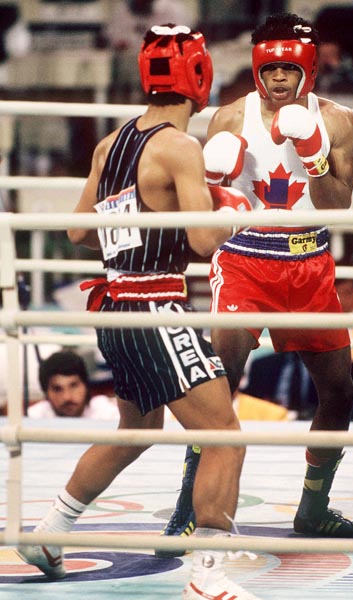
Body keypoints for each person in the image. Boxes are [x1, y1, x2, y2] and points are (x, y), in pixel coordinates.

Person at [16, 24, 262, 600]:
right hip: (154, 306)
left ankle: (51, 533)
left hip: (114, 306)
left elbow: (80, 229)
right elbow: (204, 243)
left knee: (138, 430)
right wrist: (233, 206)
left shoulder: (112, 142)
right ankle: (208, 576)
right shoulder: (180, 147)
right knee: (225, 435)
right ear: (198, 79)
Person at [161, 12, 353, 549]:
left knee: (339, 391)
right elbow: (204, 215)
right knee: (219, 382)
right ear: (257, 66)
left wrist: (314, 157)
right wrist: (214, 179)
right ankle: (189, 505)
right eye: (269, 67)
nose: (278, 78)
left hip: (311, 264)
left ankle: (314, 509)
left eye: (288, 67)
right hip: (244, 261)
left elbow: (339, 204)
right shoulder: (230, 119)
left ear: (308, 66)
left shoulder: (339, 121)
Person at [28, 350, 119, 419]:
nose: (67, 397)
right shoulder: (32, 419)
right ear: (46, 393)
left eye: (74, 386)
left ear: (86, 386)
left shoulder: (107, 414)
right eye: (57, 389)